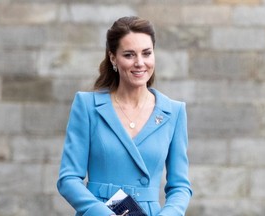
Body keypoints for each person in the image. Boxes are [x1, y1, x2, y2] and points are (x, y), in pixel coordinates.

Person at [57, 16, 192, 216]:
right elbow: (68, 179)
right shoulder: (87, 106)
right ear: (113, 58)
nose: (139, 63)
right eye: (129, 55)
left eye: (146, 53)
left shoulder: (173, 112)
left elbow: (180, 186)